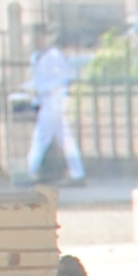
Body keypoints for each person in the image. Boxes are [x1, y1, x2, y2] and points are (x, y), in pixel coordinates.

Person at [18, 28, 86, 186]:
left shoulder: (54, 56)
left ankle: (29, 172)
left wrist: (40, 89)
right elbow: (40, 80)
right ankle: (78, 174)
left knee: (40, 137)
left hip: (54, 101)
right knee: (65, 139)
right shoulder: (38, 56)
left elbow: (62, 79)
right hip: (48, 100)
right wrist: (28, 87)